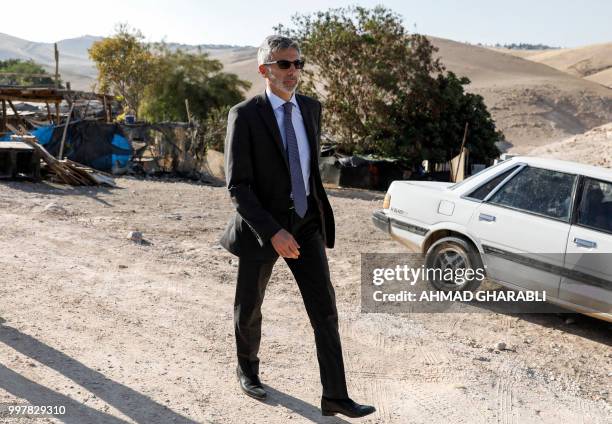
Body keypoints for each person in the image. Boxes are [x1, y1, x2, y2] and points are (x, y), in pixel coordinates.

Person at [220, 35, 376, 419]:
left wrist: (309, 219)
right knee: (249, 307)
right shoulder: (245, 114)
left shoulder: (311, 109)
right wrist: (273, 231)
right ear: (264, 70)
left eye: (298, 64)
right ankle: (248, 370)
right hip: (263, 228)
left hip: (306, 224)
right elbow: (237, 186)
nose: (294, 72)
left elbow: (307, 171)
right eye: (285, 64)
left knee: (325, 308)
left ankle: (335, 396)